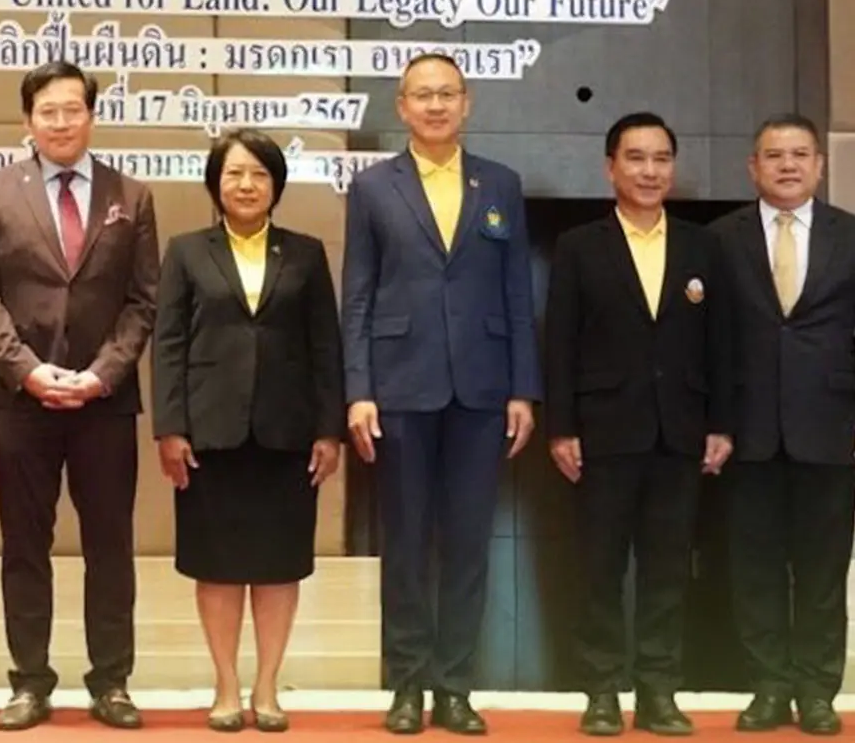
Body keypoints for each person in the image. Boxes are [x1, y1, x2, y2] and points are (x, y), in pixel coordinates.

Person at [0, 60, 160, 732]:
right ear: (28, 120)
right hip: (21, 400)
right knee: (25, 545)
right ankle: (29, 681)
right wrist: (25, 369)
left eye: (73, 109)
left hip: (104, 402)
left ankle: (112, 681)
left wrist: (102, 373)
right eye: (48, 111)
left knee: (110, 545)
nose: (61, 121)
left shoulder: (132, 195)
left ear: (91, 116)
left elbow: (143, 300)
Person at [341, 52, 539, 736]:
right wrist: (359, 390)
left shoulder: (500, 183)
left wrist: (523, 388)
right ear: (402, 106)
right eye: (421, 95)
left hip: (483, 391)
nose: (434, 105)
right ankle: (406, 685)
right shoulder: (373, 187)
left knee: (467, 543)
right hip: (400, 387)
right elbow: (358, 296)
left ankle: (454, 686)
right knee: (404, 543)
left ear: (466, 102)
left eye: (446, 94)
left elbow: (517, 294)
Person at [543, 113, 733, 736]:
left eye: (661, 159)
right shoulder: (579, 246)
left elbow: (722, 345)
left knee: (667, 571)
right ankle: (601, 691)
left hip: (680, 434)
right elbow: (559, 342)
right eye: (636, 158)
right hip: (603, 433)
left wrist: (721, 424)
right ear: (611, 168)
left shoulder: (703, 247)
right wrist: (561, 427)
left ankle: (658, 692)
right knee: (599, 570)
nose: (650, 171)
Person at [151, 129, 345, 733]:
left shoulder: (306, 253)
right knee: (218, 566)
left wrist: (329, 429)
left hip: (288, 434)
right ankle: (226, 685)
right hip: (210, 434)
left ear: (276, 185)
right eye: (234, 173)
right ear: (215, 183)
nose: (246, 185)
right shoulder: (187, 251)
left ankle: (266, 686)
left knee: (278, 566)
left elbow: (326, 346)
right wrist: (170, 427)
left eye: (259, 174)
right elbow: (168, 345)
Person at [708, 114, 855, 736]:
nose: (788, 165)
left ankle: (817, 691)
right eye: (774, 155)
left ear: (819, 165)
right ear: (753, 167)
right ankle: (768, 687)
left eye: (799, 154)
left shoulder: (851, 236)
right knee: (755, 569)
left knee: (822, 572)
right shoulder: (719, 240)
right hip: (747, 432)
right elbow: (707, 341)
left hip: (832, 430)